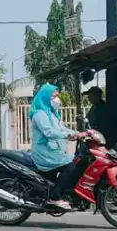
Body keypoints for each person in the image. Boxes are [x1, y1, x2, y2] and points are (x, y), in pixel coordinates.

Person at [30, 83, 79, 211]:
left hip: (52, 151)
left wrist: (78, 134)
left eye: (57, 96)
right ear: (45, 97)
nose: (57, 99)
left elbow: (62, 128)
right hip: (44, 152)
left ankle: (55, 193)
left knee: (71, 164)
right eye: (54, 96)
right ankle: (55, 197)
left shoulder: (52, 113)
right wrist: (68, 135)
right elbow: (49, 132)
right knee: (70, 166)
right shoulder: (39, 114)